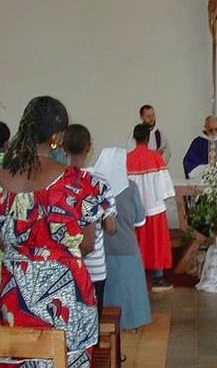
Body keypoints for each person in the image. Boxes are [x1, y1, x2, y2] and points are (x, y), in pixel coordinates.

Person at [0, 96, 114, 368]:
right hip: (68, 297)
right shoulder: (79, 182)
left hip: (14, 294)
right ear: (56, 137)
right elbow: (88, 245)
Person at [63, 124, 117, 319]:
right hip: (95, 269)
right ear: (89, 148)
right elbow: (111, 227)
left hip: (63, 266)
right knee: (93, 324)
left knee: (66, 323)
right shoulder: (100, 182)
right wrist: (98, 215)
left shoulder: (56, 180)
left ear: (63, 147)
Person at [96, 148, 152, 330]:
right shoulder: (131, 187)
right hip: (127, 246)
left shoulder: (95, 187)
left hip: (102, 248)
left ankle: (105, 324)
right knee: (130, 290)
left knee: (107, 289)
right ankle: (132, 322)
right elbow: (140, 219)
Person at [127, 124, 175, 292]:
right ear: (148, 139)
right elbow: (165, 189)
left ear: (134, 138)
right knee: (156, 243)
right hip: (154, 208)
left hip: (134, 210)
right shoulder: (156, 157)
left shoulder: (127, 160)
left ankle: (137, 277)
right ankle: (158, 278)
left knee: (137, 243)